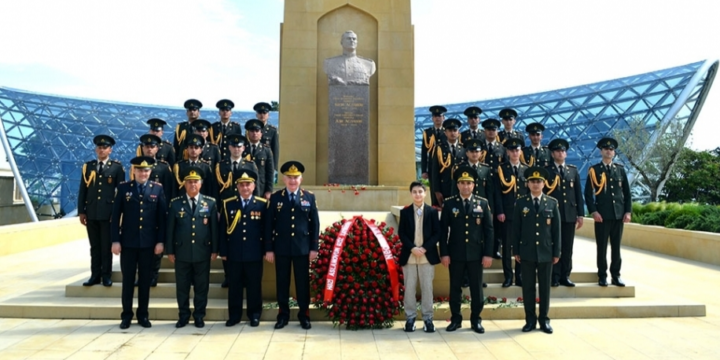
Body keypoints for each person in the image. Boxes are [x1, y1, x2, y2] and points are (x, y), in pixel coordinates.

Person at [111, 157, 167, 329]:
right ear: (134, 171)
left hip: (148, 244)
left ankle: (143, 315)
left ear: (150, 172)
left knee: (144, 282)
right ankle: (126, 316)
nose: (143, 173)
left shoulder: (157, 189)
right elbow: (115, 217)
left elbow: (162, 218)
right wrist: (115, 240)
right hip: (128, 243)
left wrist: (160, 241)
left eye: (146, 171)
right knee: (128, 281)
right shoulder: (123, 188)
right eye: (140, 170)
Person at [439, 166, 493, 334]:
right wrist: (444, 253)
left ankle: (476, 320)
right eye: (462, 183)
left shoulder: (482, 203)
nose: (465, 186)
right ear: (458, 185)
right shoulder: (450, 203)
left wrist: (488, 254)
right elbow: (442, 231)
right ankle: (456, 319)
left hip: (476, 254)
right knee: (455, 288)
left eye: (468, 183)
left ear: (474, 185)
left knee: (476, 288)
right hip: (455, 254)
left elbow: (489, 231)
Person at [266, 161, 320, 330]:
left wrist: (314, 248)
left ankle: (304, 315)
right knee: (282, 282)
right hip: (281, 247)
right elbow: (269, 225)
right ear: (283, 179)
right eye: (289, 177)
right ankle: (283, 315)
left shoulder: (309, 197)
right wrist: (268, 248)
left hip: (302, 248)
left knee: (302, 284)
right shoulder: (276, 198)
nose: (292, 181)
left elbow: (315, 225)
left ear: (301, 179)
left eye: (295, 177)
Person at [165, 166, 218, 329]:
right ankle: (183, 316)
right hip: (182, 252)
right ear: (184, 184)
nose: (192, 185)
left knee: (202, 287)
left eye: (195, 182)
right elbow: (170, 230)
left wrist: (215, 249)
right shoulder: (175, 204)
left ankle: (199, 316)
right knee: (182, 287)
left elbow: (214, 229)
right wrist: (170, 251)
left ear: (201, 184)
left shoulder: (210, 203)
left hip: (203, 252)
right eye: (189, 182)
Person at [220, 169, 271, 327]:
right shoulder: (228, 204)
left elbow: (266, 230)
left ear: (254, 186)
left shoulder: (262, 205)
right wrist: (223, 251)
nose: (245, 188)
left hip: (254, 253)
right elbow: (223, 230)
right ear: (237, 187)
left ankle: (254, 315)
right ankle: (234, 316)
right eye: (241, 185)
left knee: (254, 286)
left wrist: (265, 250)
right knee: (234, 285)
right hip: (234, 253)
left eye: (248, 184)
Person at [513, 166, 560, 334]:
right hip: (526, 252)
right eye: (533, 181)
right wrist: (516, 250)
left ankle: (544, 320)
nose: (536, 184)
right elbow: (516, 229)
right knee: (528, 288)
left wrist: (557, 252)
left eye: (539, 181)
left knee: (545, 288)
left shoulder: (552, 203)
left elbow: (556, 230)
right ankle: (530, 320)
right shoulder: (521, 203)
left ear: (544, 183)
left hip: (546, 252)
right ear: (528, 183)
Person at [78, 135, 125, 287]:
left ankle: (106, 275)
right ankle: (94, 275)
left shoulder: (117, 167)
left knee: (106, 246)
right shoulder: (88, 167)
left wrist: (117, 213)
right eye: (99, 147)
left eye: (105, 147)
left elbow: (120, 193)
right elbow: (82, 190)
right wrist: (81, 211)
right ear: (95, 149)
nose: (101, 150)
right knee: (95, 246)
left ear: (110, 150)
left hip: (108, 213)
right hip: (91, 212)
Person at [584, 137, 631, 287]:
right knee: (602, 247)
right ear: (601, 151)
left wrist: (628, 212)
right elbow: (588, 194)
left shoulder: (620, 169)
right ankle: (602, 275)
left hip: (618, 215)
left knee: (616, 248)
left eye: (611, 149)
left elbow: (627, 193)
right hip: (602, 216)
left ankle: (616, 275)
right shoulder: (594, 170)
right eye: (606, 149)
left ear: (614, 152)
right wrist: (594, 212)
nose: (608, 151)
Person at [214, 133, 258, 288]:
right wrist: (218, 209)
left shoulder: (251, 166)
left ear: (244, 148)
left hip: (247, 207)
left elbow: (255, 189)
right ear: (229, 148)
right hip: (227, 208)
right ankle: (228, 275)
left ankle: (245, 277)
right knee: (228, 239)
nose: (236, 149)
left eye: (239, 146)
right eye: (233, 146)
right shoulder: (220, 165)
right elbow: (215, 189)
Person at [398, 181, 441, 333]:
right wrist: (412, 248)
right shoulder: (405, 212)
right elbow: (401, 233)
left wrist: (424, 248)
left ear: (425, 194)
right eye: (414, 192)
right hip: (409, 256)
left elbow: (437, 233)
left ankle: (428, 319)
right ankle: (410, 318)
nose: (417, 194)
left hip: (426, 256)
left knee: (427, 288)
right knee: (409, 288)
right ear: (411, 194)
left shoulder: (432, 212)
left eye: (420, 192)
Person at [545, 139, 584, 287]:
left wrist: (580, 215)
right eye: (557, 151)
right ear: (553, 153)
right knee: (554, 246)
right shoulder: (547, 171)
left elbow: (578, 194)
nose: (560, 153)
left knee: (567, 247)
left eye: (562, 151)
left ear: (565, 153)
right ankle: (554, 276)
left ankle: (565, 275)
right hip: (553, 215)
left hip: (569, 215)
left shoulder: (572, 171)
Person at [137, 134, 175, 287]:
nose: (149, 149)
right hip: (141, 211)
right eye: (146, 146)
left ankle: (153, 275)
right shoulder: (137, 166)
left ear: (157, 148)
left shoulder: (164, 167)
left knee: (157, 246)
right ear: (142, 148)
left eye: (152, 146)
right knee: (140, 246)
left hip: (157, 211)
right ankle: (141, 276)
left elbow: (169, 190)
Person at [494, 138, 529, 287]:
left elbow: (530, 192)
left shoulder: (527, 169)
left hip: (523, 214)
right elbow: (497, 192)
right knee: (507, 247)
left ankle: (519, 276)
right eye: (512, 150)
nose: (515, 152)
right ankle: (508, 276)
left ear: (520, 151)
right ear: (507, 152)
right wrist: (500, 211)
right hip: (507, 214)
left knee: (521, 246)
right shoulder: (501, 169)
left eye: (517, 150)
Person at [430, 118, 465, 207]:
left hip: (460, 189)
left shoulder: (464, 149)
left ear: (458, 133)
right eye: (450, 130)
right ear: (445, 133)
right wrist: (437, 191)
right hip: (444, 189)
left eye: (455, 130)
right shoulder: (439, 149)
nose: (452, 133)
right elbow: (435, 171)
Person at [173, 134, 217, 205]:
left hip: (201, 202)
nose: (193, 150)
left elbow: (209, 188)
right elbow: (174, 189)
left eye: (196, 148)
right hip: (182, 203)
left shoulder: (206, 167)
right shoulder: (179, 166)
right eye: (191, 147)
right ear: (187, 149)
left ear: (201, 150)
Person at [421, 105, 447, 206]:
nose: (437, 118)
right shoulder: (427, 133)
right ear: (432, 118)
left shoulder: (448, 132)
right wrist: (424, 170)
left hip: (445, 165)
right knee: (434, 192)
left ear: (443, 118)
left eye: (440, 116)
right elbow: (424, 153)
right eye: (435, 116)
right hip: (432, 167)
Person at [243, 119, 274, 199]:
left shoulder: (266, 150)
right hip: (245, 187)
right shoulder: (242, 148)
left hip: (261, 188)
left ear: (261, 134)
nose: (254, 133)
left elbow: (270, 172)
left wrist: (269, 190)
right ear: (248, 133)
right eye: (252, 131)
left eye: (257, 131)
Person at [254, 102, 279, 172]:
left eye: (264, 113)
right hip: (253, 162)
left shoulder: (272, 130)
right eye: (260, 113)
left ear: (268, 115)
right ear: (256, 115)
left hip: (267, 163)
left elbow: (275, 149)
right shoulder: (250, 130)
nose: (262, 115)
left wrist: (274, 167)